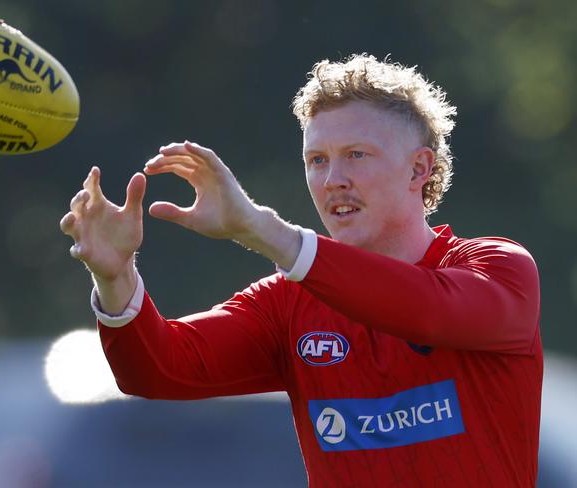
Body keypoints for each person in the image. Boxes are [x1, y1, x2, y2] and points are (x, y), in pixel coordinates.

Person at [60, 54, 542, 487]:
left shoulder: (501, 268)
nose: (333, 180)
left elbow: (427, 309)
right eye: (317, 160)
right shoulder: (288, 302)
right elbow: (158, 370)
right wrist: (115, 274)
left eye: (356, 154)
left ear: (419, 169)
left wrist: (263, 229)